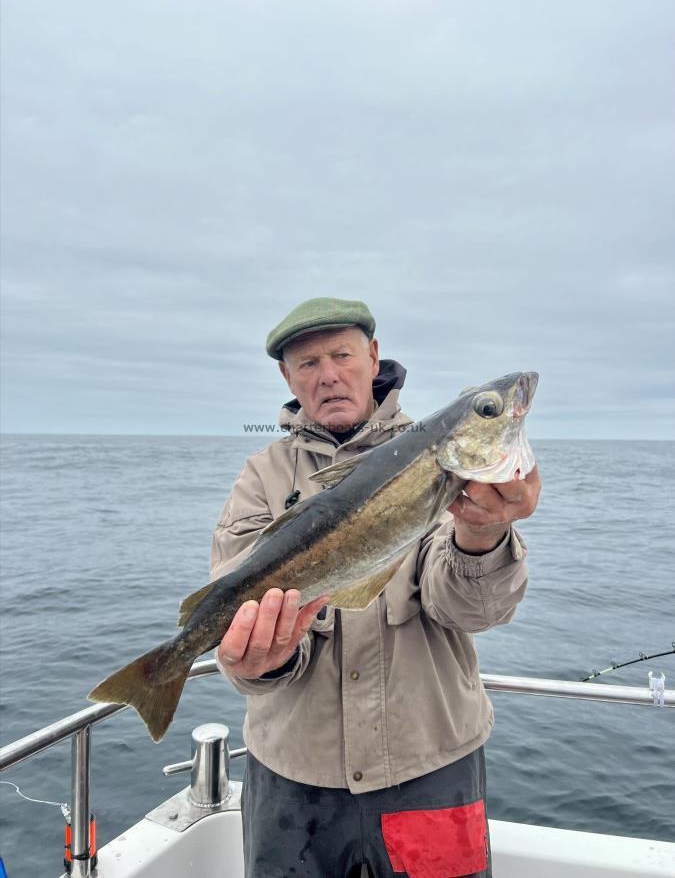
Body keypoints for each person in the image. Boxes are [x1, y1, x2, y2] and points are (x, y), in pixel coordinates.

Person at [210, 297, 541, 878]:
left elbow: (467, 608)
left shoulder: (436, 458)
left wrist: (482, 532)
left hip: (430, 767)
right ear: (287, 377)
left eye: (342, 354)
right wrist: (261, 661)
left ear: (374, 356)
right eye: (308, 363)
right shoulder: (260, 476)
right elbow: (236, 632)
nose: (329, 375)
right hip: (292, 779)